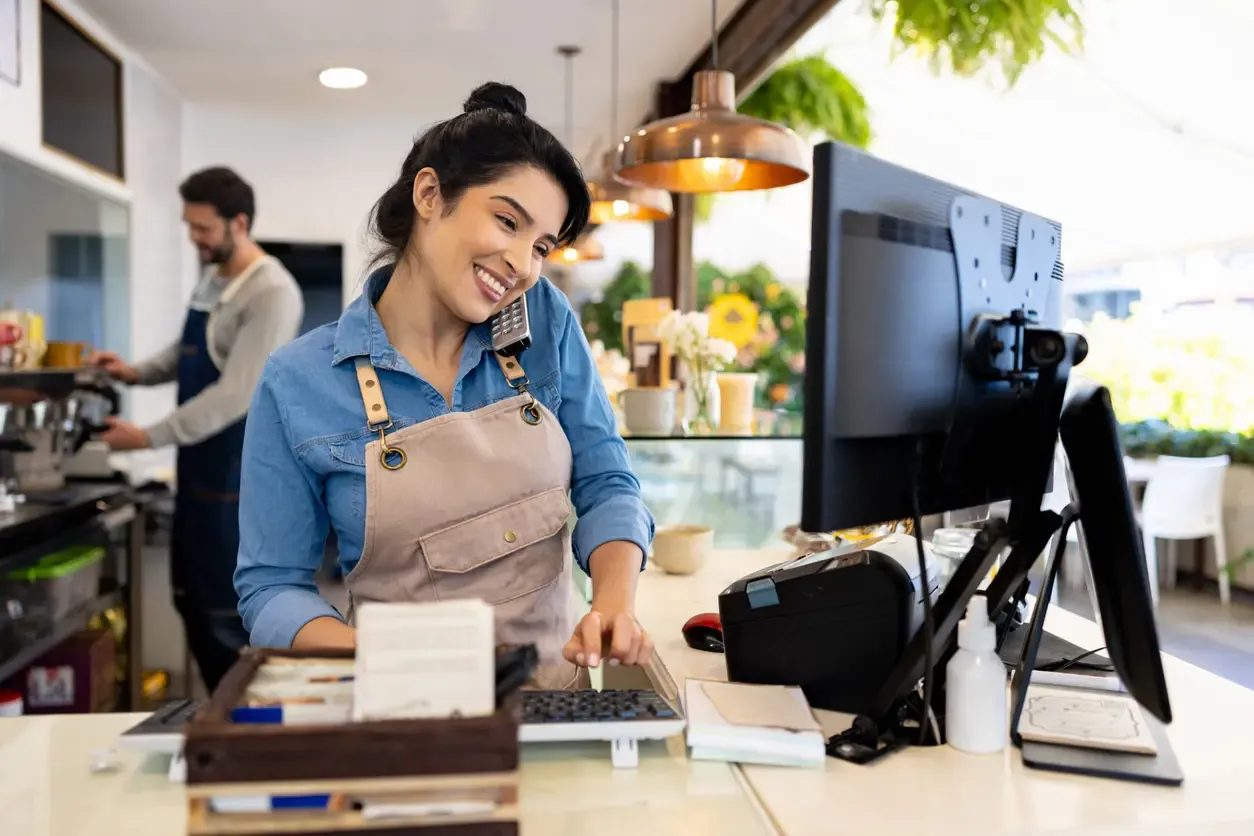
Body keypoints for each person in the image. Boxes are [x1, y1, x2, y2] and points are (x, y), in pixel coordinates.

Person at [233, 83, 655, 680]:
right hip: (403, 712)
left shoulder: (545, 323)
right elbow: (271, 587)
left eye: (541, 246)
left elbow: (608, 483)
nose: (523, 266)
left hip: (553, 707)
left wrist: (614, 602)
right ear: (430, 194)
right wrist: (379, 659)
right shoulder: (297, 380)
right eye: (507, 221)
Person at [88, 166, 304, 691]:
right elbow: (185, 353)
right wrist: (134, 372)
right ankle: (223, 722)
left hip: (236, 481)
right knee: (190, 601)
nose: (195, 240)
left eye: (203, 229)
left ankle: (251, 735)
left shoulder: (272, 292)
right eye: (190, 227)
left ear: (239, 223)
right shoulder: (214, 277)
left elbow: (235, 393)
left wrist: (145, 436)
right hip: (197, 476)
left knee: (226, 620)